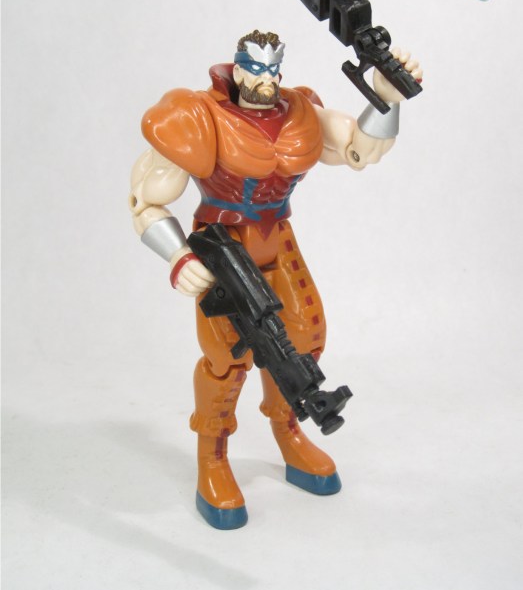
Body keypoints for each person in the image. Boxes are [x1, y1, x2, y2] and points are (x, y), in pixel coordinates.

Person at [129, 30, 422, 529]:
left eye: (272, 71)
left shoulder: (300, 112)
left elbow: (359, 151)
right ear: (238, 68)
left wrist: (386, 99)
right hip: (222, 242)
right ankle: (212, 456)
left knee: (302, 339)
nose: (264, 81)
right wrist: (177, 255)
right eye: (255, 70)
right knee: (226, 358)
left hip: (276, 235)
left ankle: (288, 433)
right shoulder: (198, 115)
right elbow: (146, 199)